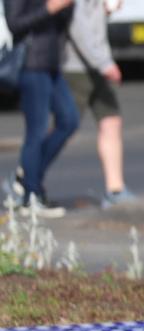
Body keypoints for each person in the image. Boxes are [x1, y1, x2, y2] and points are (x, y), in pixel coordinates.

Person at [5, 0, 77, 218]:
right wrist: (50, 8)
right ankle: (31, 196)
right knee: (36, 131)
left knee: (69, 119)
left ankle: (27, 178)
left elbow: (64, 23)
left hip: (52, 64)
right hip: (31, 63)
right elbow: (15, 24)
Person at [65, 0, 132, 207]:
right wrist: (104, 63)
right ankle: (25, 178)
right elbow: (78, 27)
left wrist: (107, 8)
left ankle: (115, 189)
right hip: (76, 67)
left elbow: (92, 21)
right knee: (62, 129)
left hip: (95, 66)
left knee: (111, 120)